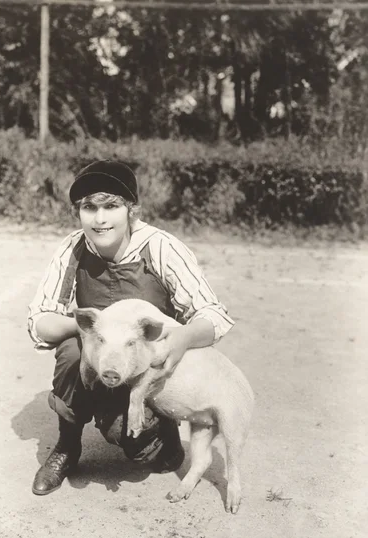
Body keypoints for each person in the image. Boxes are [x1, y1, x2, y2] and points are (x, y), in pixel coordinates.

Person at [27, 159, 235, 495]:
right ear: (79, 213)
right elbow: (40, 321)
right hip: (104, 358)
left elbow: (213, 315)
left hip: (146, 366)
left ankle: (162, 434)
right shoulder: (73, 249)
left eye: (111, 206)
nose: (100, 218)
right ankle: (67, 446)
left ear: (131, 211)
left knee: (141, 450)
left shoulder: (159, 247)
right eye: (89, 207)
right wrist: (87, 330)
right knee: (69, 352)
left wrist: (182, 338)